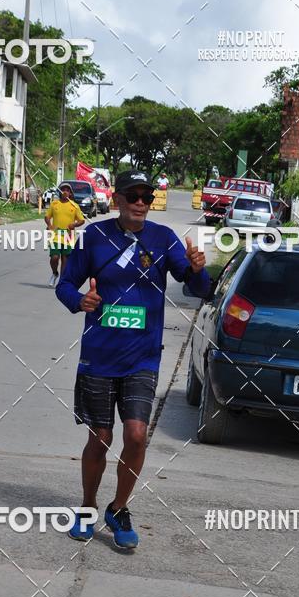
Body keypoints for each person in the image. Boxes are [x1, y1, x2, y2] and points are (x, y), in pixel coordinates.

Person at [56, 170, 210, 550]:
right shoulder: (94, 237)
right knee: (100, 437)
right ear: (117, 200)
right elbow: (65, 284)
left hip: (143, 357)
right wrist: (80, 300)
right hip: (99, 356)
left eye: (146, 196)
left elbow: (198, 288)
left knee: (137, 435)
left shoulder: (163, 238)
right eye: (132, 195)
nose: (140, 202)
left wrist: (197, 269)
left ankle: (119, 508)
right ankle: (88, 507)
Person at [45, 183, 85, 287]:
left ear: (70, 193)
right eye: (63, 189)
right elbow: (47, 217)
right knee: (54, 257)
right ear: (60, 192)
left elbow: (82, 220)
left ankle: (61, 280)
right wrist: (49, 225)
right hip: (56, 235)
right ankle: (55, 273)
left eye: (68, 190)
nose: (65, 191)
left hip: (68, 236)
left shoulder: (74, 206)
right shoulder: (54, 204)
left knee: (65, 260)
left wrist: (74, 224)